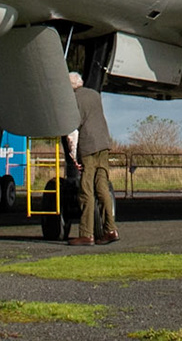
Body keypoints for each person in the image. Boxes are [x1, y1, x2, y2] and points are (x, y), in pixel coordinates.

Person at [67, 71, 116, 246]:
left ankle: (86, 234)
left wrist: (73, 156)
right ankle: (110, 229)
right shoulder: (94, 95)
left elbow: (73, 129)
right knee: (102, 187)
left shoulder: (74, 100)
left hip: (88, 147)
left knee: (85, 190)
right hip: (104, 144)